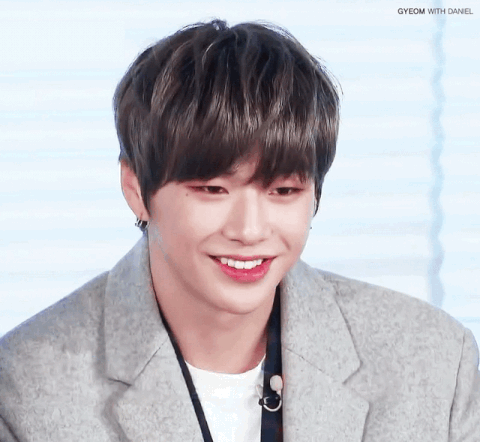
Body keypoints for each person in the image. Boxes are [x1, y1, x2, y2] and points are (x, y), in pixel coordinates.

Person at [0, 19, 479, 442]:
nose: (250, 231)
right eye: (212, 189)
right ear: (136, 187)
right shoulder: (26, 386)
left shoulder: (434, 361)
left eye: (283, 191)